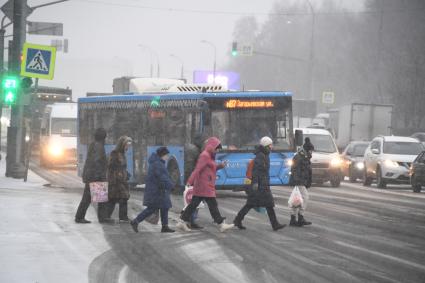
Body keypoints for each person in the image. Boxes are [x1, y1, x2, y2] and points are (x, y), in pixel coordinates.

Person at [177, 137, 234, 232]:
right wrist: (189, 181)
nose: (218, 150)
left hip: (205, 185)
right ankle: (221, 224)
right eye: (217, 148)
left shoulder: (209, 156)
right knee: (212, 205)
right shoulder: (205, 155)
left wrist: (220, 166)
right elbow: (197, 169)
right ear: (212, 146)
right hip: (204, 185)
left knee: (194, 205)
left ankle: (182, 221)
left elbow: (211, 168)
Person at [233, 137, 286, 231]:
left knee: (257, 204)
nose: (272, 147)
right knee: (256, 204)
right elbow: (256, 171)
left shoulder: (264, 155)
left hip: (263, 184)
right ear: (266, 146)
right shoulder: (261, 156)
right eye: (270, 145)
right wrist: (256, 183)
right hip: (259, 185)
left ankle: (238, 220)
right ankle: (238, 220)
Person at [130, 147, 175, 233]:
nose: (167, 157)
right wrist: (170, 185)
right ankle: (135, 221)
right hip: (157, 191)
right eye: (166, 155)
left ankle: (165, 226)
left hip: (158, 190)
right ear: (162, 155)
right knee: (152, 208)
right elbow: (162, 177)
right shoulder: (158, 164)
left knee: (164, 207)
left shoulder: (157, 163)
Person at [75, 128, 109, 224]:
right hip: (95, 176)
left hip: (91, 175)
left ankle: (81, 216)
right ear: (103, 137)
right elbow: (96, 161)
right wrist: (99, 176)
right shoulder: (98, 146)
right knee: (90, 198)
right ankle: (81, 217)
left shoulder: (95, 144)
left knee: (93, 198)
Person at [106, 136, 132, 222]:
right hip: (116, 180)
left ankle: (108, 216)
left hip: (120, 179)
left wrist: (126, 174)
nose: (128, 146)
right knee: (120, 197)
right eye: (127, 144)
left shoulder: (121, 154)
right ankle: (121, 217)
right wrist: (120, 175)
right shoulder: (115, 153)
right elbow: (112, 166)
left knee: (115, 198)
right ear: (122, 144)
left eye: (129, 144)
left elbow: (122, 167)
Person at [289, 146, 313, 227]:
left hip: (300, 182)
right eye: (310, 150)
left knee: (296, 199)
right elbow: (295, 169)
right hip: (299, 182)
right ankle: (300, 217)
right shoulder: (300, 157)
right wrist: (298, 181)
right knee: (305, 197)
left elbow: (307, 171)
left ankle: (293, 219)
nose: (311, 152)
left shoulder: (304, 157)